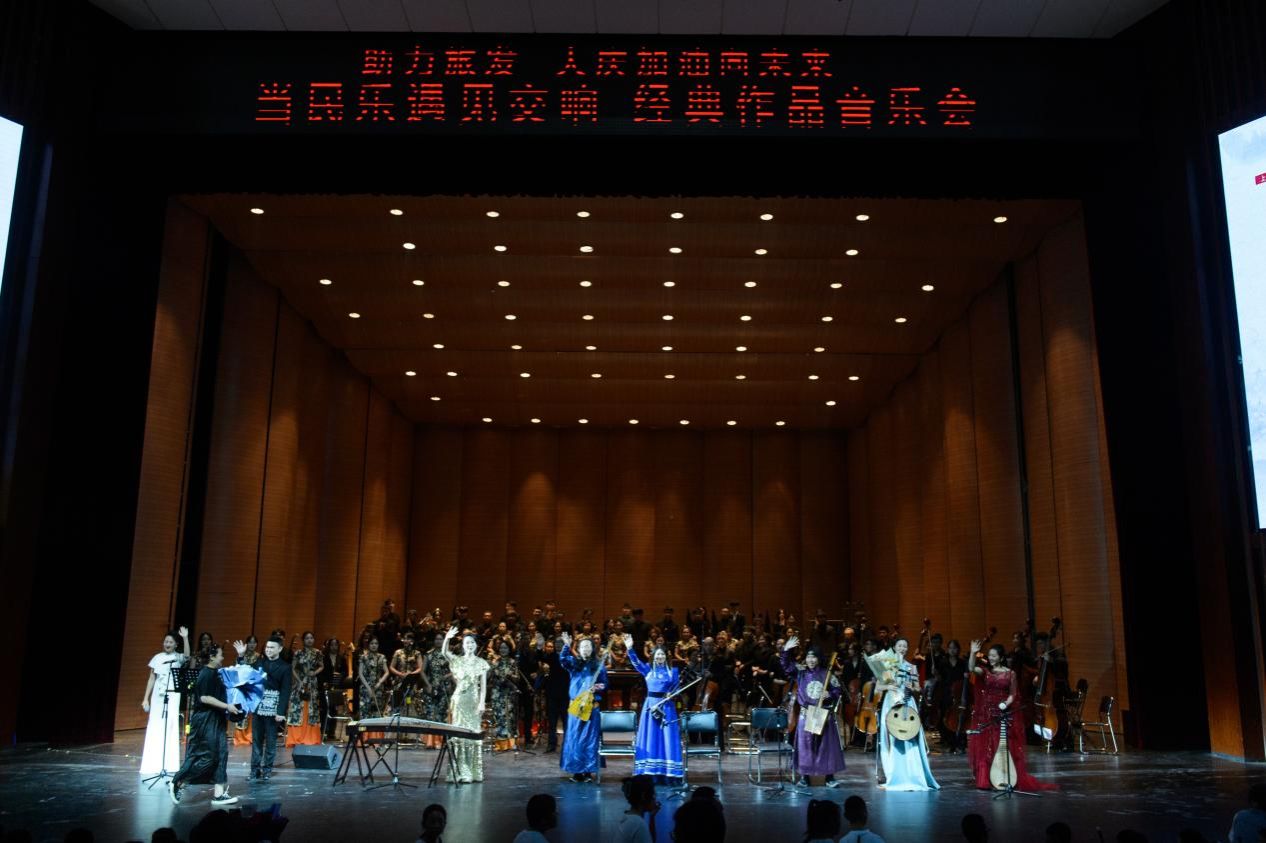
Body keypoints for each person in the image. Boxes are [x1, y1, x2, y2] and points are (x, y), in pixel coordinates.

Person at [966, 640, 1057, 792]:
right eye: (990, 655)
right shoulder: (986, 672)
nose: (991, 658)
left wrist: (1006, 704)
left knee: (1001, 745)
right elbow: (971, 668)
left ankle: (1003, 777)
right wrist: (973, 653)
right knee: (986, 746)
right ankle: (985, 780)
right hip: (987, 713)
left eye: (994, 656)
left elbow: (1013, 694)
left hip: (1002, 713)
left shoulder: (1010, 674)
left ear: (1001, 657)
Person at [169, 640, 245, 806]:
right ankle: (179, 780)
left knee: (222, 754)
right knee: (208, 756)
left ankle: (219, 794)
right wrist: (227, 706)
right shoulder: (205, 674)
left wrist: (240, 656)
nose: (222, 658)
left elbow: (236, 677)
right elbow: (204, 697)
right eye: (220, 655)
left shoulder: (217, 673)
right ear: (212, 657)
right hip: (205, 720)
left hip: (217, 718)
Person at [874, 637, 939, 790]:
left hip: (907, 702)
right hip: (891, 704)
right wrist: (889, 687)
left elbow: (918, 688)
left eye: (905, 646)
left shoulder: (911, 667)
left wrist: (912, 687)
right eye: (900, 646)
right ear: (894, 647)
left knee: (909, 735)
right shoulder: (887, 665)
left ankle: (912, 774)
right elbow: (878, 688)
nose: (902, 648)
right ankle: (893, 775)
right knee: (892, 737)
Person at [780, 638, 845, 787]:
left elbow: (837, 689)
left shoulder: (827, 673)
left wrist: (830, 694)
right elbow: (786, 666)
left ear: (819, 658)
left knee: (826, 746)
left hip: (823, 714)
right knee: (805, 747)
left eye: (814, 657)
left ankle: (829, 777)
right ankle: (805, 777)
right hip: (806, 713)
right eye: (808, 657)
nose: (810, 660)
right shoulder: (800, 672)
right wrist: (786, 650)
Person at [624, 634, 684, 781]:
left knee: (667, 738)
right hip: (651, 706)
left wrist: (672, 694)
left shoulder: (673, 671)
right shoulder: (648, 669)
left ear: (666, 656)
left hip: (667, 707)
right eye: (657, 654)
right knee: (651, 736)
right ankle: (650, 772)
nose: (660, 657)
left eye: (662, 654)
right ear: (653, 656)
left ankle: (668, 773)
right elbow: (636, 662)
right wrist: (630, 649)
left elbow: (677, 690)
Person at [139, 625, 190, 777]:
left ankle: (169, 763)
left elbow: (187, 656)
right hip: (157, 695)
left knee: (170, 724)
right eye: (166, 641)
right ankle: (153, 763)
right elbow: (151, 678)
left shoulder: (178, 657)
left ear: (175, 644)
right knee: (156, 723)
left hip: (172, 693)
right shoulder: (157, 657)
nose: (167, 644)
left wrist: (185, 638)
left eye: (170, 642)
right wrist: (145, 698)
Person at [442, 626, 490, 783]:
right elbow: (444, 653)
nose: (470, 645)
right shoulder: (458, 661)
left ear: (476, 645)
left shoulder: (481, 663)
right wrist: (447, 638)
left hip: (473, 702)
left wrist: (482, 703)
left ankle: (472, 772)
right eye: (467, 643)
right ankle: (459, 772)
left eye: (472, 643)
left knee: (472, 734)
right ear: (463, 645)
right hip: (459, 701)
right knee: (459, 735)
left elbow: (483, 687)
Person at [559, 632, 606, 782]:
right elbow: (562, 660)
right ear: (578, 649)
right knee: (575, 738)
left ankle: (588, 772)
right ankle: (576, 772)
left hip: (592, 707)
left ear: (592, 649)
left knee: (590, 739)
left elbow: (605, 684)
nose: (586, 649)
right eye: (583, 647)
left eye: (588, 647)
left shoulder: (598, 665)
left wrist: (597, 687)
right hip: (576, 708)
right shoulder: (573, 664)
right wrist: (566, 646)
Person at [251, 636, 291, 782]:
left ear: (280, 649)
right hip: (258, 705)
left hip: (273, 706)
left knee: (271, 740)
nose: (268, 650)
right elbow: (246, 673)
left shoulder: (285, 667)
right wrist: (241, 656)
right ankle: (254, 770)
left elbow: (285, 690)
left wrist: (280, 711)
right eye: (267, 647)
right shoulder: (259, 663)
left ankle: (267, 769)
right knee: (256, 740)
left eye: (272, 647)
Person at [286, 631, 323, 746]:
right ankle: (296, 737)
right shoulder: (298, 653)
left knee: (311, 708)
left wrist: (314, 673)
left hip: (312, 683)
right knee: (298, 708)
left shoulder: (318, 653)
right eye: (307, 638)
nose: (309, 640)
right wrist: (299, 681)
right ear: (303, 640)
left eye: (311, 638)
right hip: (300, 683)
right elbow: (293, 668)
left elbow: (321, 666)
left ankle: (310, 737)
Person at [616, 775, 660, 843]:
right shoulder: (639, 824)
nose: (655, 799)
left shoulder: (630, 818)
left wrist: (652, 817)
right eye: (653, 795)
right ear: (643, 796)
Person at [357, 635, 389, 718]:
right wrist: (368, 688)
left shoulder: (382, 657)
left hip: (378, 688)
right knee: (365, 712)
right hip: (365, 688)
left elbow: (387, 672)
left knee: (377, 713)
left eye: (376, 643)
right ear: (368, 644)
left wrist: (379, 683)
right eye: (372, 643)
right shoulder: (363, 657)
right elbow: (360, 673)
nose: (374, 645)